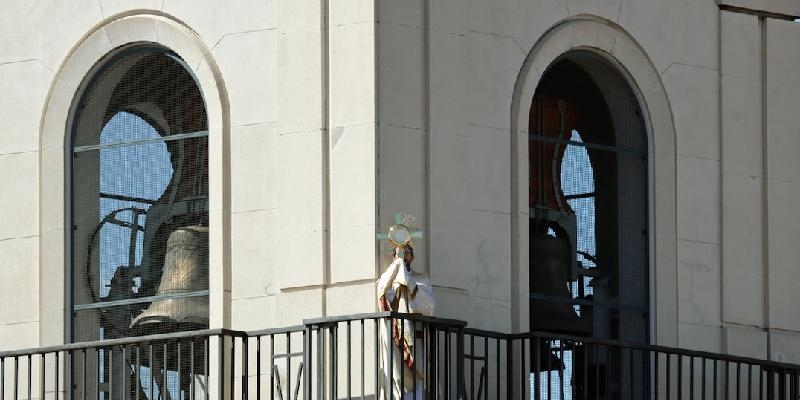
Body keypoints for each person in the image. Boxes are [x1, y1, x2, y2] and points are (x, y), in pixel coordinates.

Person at [376, 245, 434, 400]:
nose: (403, 255)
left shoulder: (422, 279)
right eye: (399, 253)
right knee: (396, 376)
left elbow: (429, 307)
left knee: (417, 378)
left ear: (412, 256)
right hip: (397, 338)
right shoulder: (387, 278)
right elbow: (382, 294)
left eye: (406, 252)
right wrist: (397, 268)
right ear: (394, 256)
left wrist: (409, 283)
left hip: (417, 337)